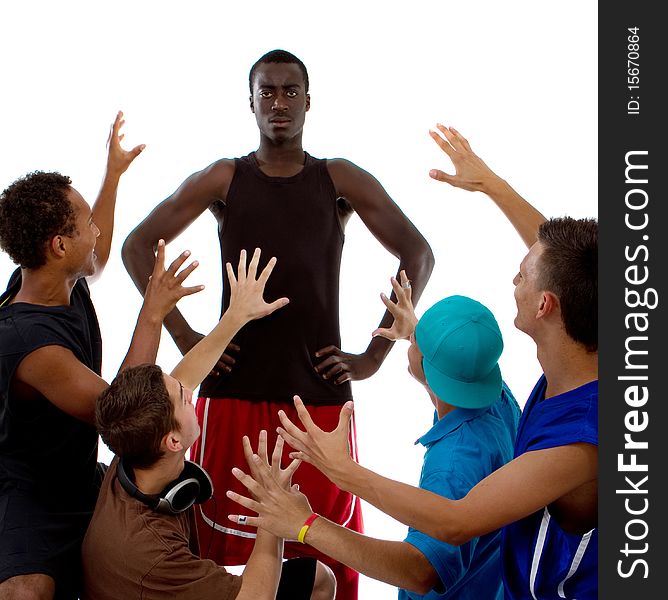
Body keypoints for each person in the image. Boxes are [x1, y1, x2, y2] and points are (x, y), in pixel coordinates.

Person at [121, 49, 434, 598]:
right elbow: (136, 247)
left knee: (325, 551)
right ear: (251, 102)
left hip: (317, 400)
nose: (280, 102)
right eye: (268, 91)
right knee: (227, 552)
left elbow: (418, 253)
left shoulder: (338, 178)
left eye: (291, 91)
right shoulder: (227, 177)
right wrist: (189, 336)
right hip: (234, 392)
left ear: (309, 101)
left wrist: (372, 355)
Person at [244, 125, 598, 599]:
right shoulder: (580, 339)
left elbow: (452, 526)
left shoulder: (577, 442)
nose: (515, 275)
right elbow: (578, 263)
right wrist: (490, 184)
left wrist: (328, 488)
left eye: (523, 274)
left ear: (545, 306)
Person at [0, 113, 204, 600]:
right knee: (28, 591)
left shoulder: (55, 280)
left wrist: (112, 176)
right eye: (85, 223)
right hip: (29, 494)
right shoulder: (29, 341)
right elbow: (122, 411)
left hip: (78, 476)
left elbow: (100, 250)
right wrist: (153, 310)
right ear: (58, 245)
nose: (96, 232)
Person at [227, 269, 521, 599]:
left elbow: (419, 571)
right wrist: (419, 333)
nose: (413, 340)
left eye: (418, 342)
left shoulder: (452, 465)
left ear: (425, 365)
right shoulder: (494, 394)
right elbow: (460, 356)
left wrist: (305, 523)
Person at [82, 248, 334, 600]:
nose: (191, 392)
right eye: (184, 398)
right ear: (172, 441)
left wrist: (236, 317)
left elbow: (186, 375)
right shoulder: (153, 552)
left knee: (317, 577)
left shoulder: (130, 455)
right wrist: (272, 511)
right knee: (315, 580)